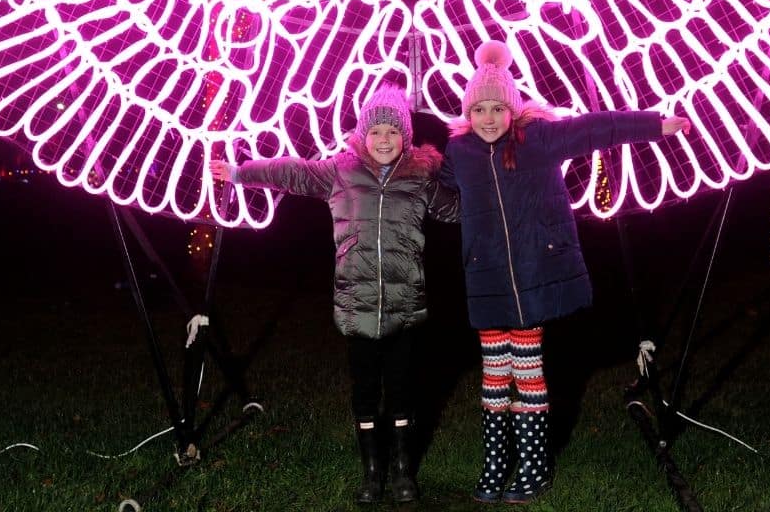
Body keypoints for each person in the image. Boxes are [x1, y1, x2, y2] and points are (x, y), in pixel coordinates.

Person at [438, 40, 690, 504]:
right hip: (487, 278)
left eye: (497, 108)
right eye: (479, 110)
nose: (489, 118)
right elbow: (432, 186)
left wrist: (655, 124)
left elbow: (599, 128)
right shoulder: (461, 153)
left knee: (527, 372)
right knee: (494, 376)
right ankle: (496, 463)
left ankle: (534, 467)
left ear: (513, 109)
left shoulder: (539, 139)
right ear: (467, 113)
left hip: (533, 279)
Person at [209, 84, 458, 505]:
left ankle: (401, 472)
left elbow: (457, 209)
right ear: (363, 134)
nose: (384, 140)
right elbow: (291, 172)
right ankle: (372, 472)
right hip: (355, 306)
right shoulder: (341, 172)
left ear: (406, 137)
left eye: (393, 132)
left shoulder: (419, 177)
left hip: (403, 307)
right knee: (364, 391)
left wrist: (482, 176)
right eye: (376, 131)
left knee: (400, 391)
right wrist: (239, 173)